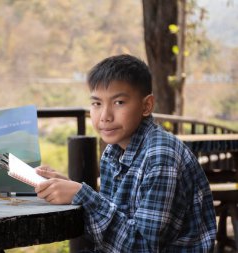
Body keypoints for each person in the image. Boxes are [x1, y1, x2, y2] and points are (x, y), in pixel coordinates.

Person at [35, 55, 217, 252]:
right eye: (97, 103)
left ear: (146, 105)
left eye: (119, 102)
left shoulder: (162, 156)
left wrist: (83, 195)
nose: (105, 116)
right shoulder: (112, 153)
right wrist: (72, 190)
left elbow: (142, 247)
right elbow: (116, 227)